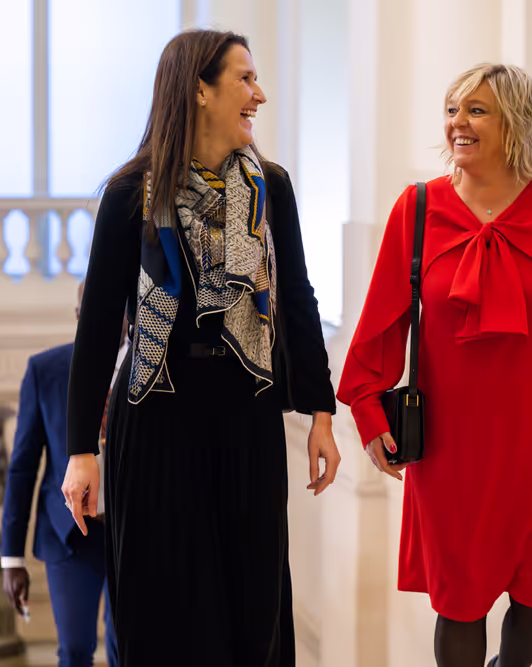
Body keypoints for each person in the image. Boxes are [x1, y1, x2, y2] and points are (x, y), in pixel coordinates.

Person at [336, 64, 532, 667]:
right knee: (460, 602)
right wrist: (367, 406)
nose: (458, 122)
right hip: (451, 443)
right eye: (453, 109)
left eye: (476, 110)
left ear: (517, 123)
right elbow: (381, 318)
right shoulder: (418, 207)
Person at [61, 29, 340, 666]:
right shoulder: (131, 194)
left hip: (247, 418)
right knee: (163, 616)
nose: (259, 95)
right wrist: (81, 451)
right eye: (244, 80)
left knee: (253, 611)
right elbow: (99, 327)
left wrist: (322, 413)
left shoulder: (272, 188)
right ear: (199, 90)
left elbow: (297, 297)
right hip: (157, 420)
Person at [2, 281, 123, 667]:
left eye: (117, 310)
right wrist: (11, 558)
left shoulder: (149, 374)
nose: (106, 321)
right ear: (77, 317)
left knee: (131, 650)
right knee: (74, 650)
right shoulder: (45, 371)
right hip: (69, 535)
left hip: (132, 533)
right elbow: (22, 467)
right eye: (93, 311)